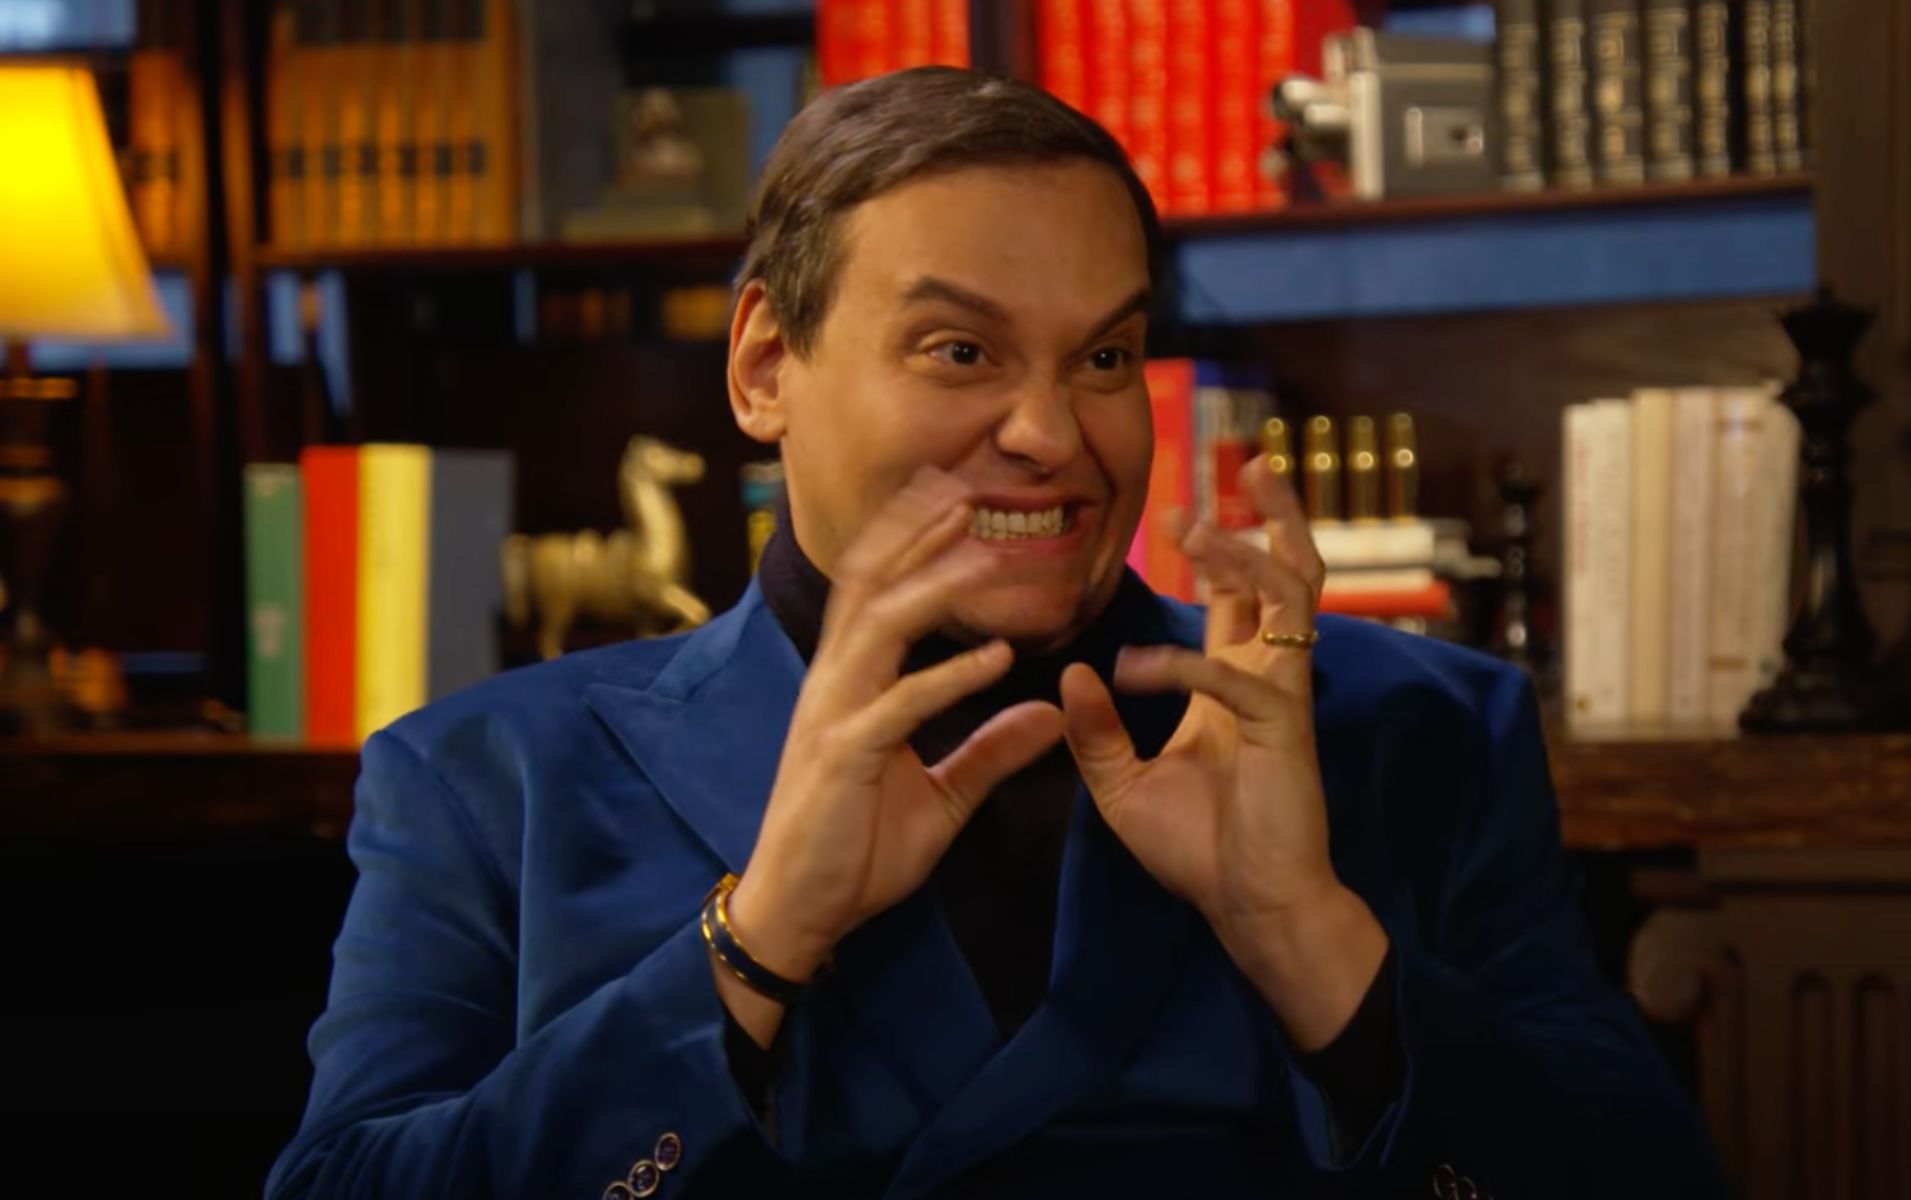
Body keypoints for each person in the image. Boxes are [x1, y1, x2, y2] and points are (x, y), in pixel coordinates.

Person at [267, 68, 1725, 1200]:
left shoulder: (1421, 735)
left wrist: (1308, 937)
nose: (1053, 434)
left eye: (1102, 356)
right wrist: (757, 939)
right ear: (769, 366)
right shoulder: (484, 778)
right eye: (960, 352)